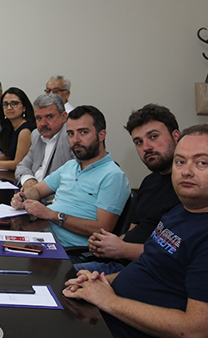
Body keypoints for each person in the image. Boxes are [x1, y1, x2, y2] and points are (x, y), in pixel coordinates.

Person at [63, 125, 208, 338]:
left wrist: (108, 300)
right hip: (108, 316)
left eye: (202, 163)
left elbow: (196, 331)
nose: (186, 171)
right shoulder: (182, 211)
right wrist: (99, 281)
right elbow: (147, 268)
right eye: (180, 162)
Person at [77, 104, 182, 274]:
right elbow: (135, 229)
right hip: (119, 263)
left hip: (145, 272)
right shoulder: (149, 182)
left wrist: (121, 249)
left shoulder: (187, 190)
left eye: (153, 137)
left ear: (176, 136)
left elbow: (173, 253)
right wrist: (107, 243)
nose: (146, 147)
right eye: (139, 142)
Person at [10, 105, 131, 247]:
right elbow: (37, 190)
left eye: (83, 132)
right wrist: (24, 197)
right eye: (70, 134)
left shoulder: (113, 175)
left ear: (101, 135)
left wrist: (52, 215)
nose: (75, 140)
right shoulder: (70, 166)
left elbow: (102, 229)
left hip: (69, 251)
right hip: (43, 236)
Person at [15, 94, 74, 193]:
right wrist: (29, 180)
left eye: (49, 117)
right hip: (32, 196)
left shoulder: (71, 137)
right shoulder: (36, 135)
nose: (43, 123)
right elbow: (22, 166)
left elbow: (74, 178)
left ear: (64, 117)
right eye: (39, 118)